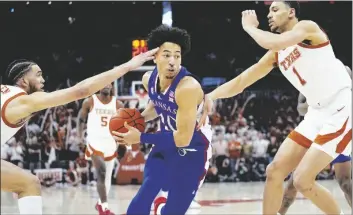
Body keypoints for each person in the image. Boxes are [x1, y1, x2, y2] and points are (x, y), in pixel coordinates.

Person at [198, 1, 351, 214]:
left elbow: (277, 41)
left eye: (275, 9)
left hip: (340, 106)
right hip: (316, 113)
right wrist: (210, 96)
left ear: (291, 12)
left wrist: (250, 27)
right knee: (274, 171)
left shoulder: (307, 28)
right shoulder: (277, 53)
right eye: (269, 10)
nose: (269, 14)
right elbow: (242, 80)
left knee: (302, 180)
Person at [0, 48, 158, 215]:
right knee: (28, 184)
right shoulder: (23, 101)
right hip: (97, 141)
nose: (43, 80)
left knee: (28, 183)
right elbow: (81, 91)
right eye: (38, 75)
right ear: (23, 81)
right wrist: (127, 66)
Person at [113, 24, 212, 215]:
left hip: (193, 151)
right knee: (141, 201)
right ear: (155, 56)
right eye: (166, 55)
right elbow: (156, 106)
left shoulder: (187, 88)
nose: (173, 61)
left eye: (177, 55)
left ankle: (163, 206)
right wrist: (135, 119)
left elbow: (183, 139)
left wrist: (140, 137)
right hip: (165, 146)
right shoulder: (148, 79)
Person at [278, 66, 352, 214]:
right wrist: (315, 104)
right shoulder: (309, 77)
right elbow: (300, 108)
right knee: (294, 182)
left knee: (345, 182)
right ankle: (280, 212)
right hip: (314, 132)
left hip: (337, 129)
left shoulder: (344, 70)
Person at [78, 83, 124, 215]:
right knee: (101, 172)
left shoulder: (118, 104)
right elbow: (80, 119)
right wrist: (79, 137)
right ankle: (105, 208)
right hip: (94, 142)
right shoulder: (90, 101)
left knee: (108, 177)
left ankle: (99, 203)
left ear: (112, 86)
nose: (106, 84)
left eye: (109, 82)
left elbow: (122, 125)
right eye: (103, 82)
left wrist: (122, 143)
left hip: (110, 143)